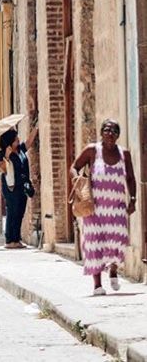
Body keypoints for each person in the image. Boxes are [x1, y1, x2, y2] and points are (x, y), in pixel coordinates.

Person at [72, 119, 136, 295]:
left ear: (118, 135)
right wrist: (78, 181)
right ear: (101, 132)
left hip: (116, 207)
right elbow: (75, 167)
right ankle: (97, 285)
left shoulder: (124, 154)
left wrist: (133, 199)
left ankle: (113, 269)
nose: (110, 133)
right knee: (94, 243)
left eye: (114, 131)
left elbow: (130, 178)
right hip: (94, 208)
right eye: (107, 130)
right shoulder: (93, 150)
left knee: (118, 239)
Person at [0, 125, 38, 248]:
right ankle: (10, 240)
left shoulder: (20, 150)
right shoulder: (2, 153)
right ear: (10, 141)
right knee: (12, 211)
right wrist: (7, 157)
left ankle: (16, 238)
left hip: (22, 186)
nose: (18, 139)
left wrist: (35, 129)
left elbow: (29, 143)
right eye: (15, 138)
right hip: (11, 187)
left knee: (20, 212)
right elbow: (3, 169)